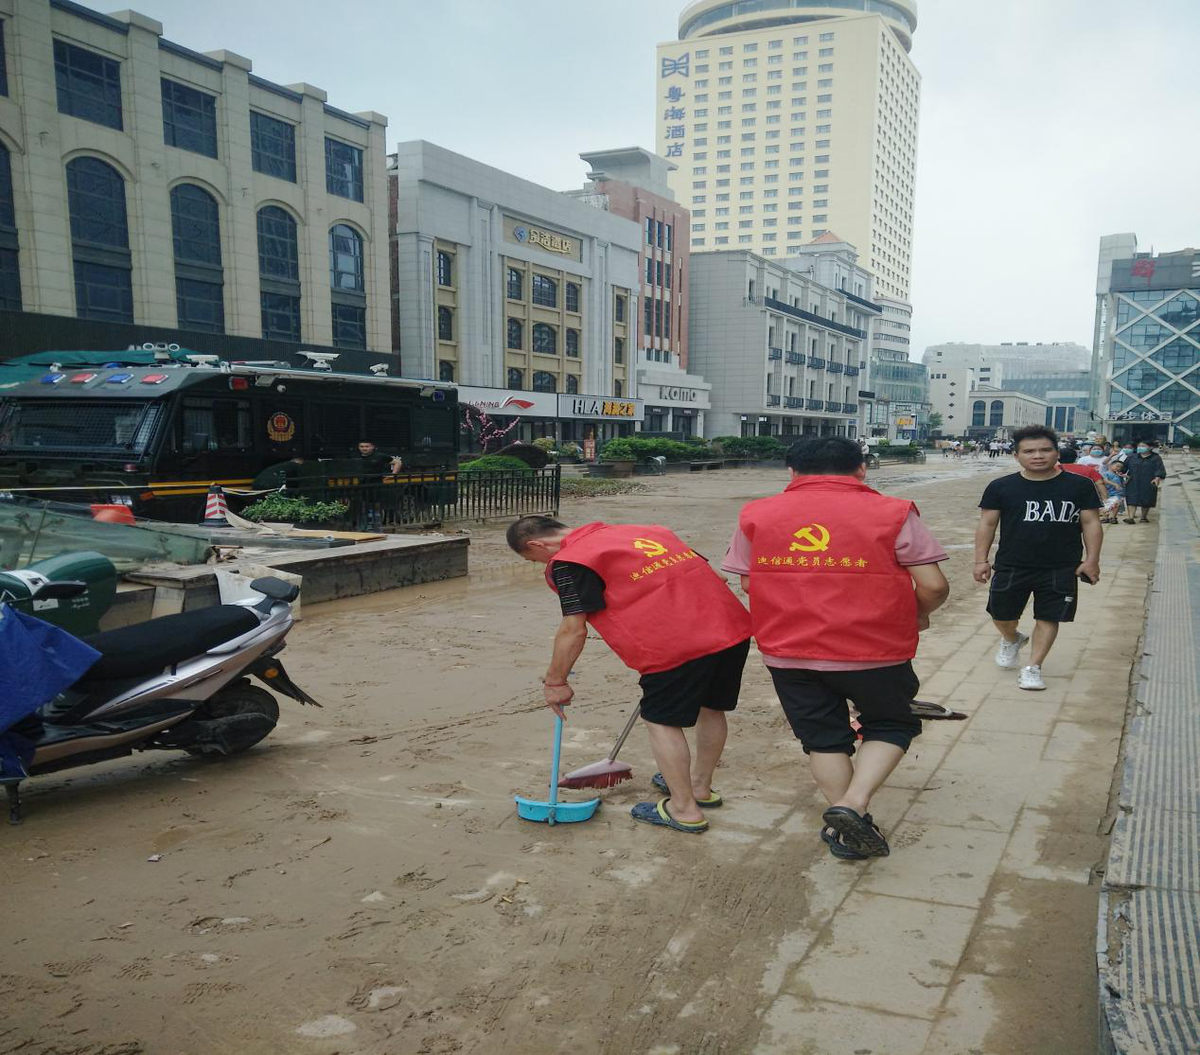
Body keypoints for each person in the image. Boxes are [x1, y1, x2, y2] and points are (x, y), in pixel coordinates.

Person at [722, 437, 950, 860]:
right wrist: (916, 614)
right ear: (861, 469)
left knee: (823, 738)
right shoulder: (894, 512)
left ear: (792, 473)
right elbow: (934, 585)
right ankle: (853, 804)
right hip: (876, 649)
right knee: (889, 725)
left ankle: (849, 829)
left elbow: (751, 582)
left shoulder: (756, 514)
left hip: (788, 649)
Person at [507, 516, 752, 834]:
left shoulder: (570, 561)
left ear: (536, 545)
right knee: (711, 707)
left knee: (661, 720)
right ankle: (700, 788)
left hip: (675, 645)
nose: (540, 563)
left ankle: (684, 810)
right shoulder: (647, 531)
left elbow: (573, 629)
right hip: (730, 629)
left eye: (532, 560)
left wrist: (556, 682)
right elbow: (716, 576)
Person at [974, 425, 1103, 690]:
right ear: (1016, 455)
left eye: (1045, 449)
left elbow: (1091, 523)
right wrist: (981, 560)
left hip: (1061, 565)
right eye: (1029, 451)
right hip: (1012, 563)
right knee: (1001, 614)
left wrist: (1092, 560)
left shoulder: (1079, 486)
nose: (1038, 456)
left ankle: (1033, 667)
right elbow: (987, 524)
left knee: (1049, 616)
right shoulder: (1001, 487)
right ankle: (1012, 639)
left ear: (1057, 453)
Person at [1122, 442, 1167, 523]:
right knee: (1131, 498)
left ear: (1151, 447)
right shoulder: (1132, 457)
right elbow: (1123, 467)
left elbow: (1159, 469)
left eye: (1143, 446)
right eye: (1139, 446)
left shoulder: (1156, 458)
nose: (1140, 447)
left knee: (1146, 499)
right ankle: (1130, 518)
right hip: (1133, 480)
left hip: (1148, 480)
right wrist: (1120, 472)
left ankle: (1143, 517)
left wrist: (1157, 478)